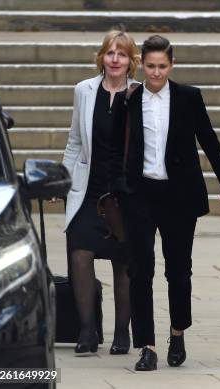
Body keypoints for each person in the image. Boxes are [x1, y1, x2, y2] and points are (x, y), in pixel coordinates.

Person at [120, 35, 220, 371]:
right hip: (141, 194)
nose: (156, 72)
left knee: (178, 270)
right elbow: (117, 146)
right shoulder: (130, 99)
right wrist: (119, 187)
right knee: (140, 271)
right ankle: (146, 345)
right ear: (141, 64)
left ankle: (177, 332)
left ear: (171, 66)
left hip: (179, 197)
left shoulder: (188, 97)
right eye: (150, 66)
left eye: (162, 66)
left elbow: (209, 140)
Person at [61, 29, 139, 356]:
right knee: (79, 252)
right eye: (110, 53)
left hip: (125, 192)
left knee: (123, 264)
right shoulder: (84, 90)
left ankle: (123, 332)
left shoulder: (140, 94)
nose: (115, 59)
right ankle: (87, 330)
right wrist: (62, 180)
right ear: (102, 57)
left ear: (131, 60)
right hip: (89, 190)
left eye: (122, 54)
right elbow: (75, 141)